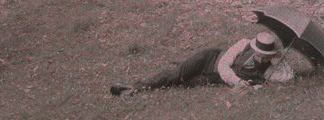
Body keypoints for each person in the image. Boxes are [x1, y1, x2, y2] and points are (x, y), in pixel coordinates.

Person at [110, 30, 295, 99]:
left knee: (185, 83)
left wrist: (279, 57)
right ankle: (134, 87)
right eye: (260, 55)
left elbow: (289, 77)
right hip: (210, 60)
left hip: (214, 79)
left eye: (266, 56)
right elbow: (223, 65)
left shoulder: (270, 67)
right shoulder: (244, 43)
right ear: (254, 49)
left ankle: (141, 89)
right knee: (176, 75)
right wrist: (238, 82)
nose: (262, 59)